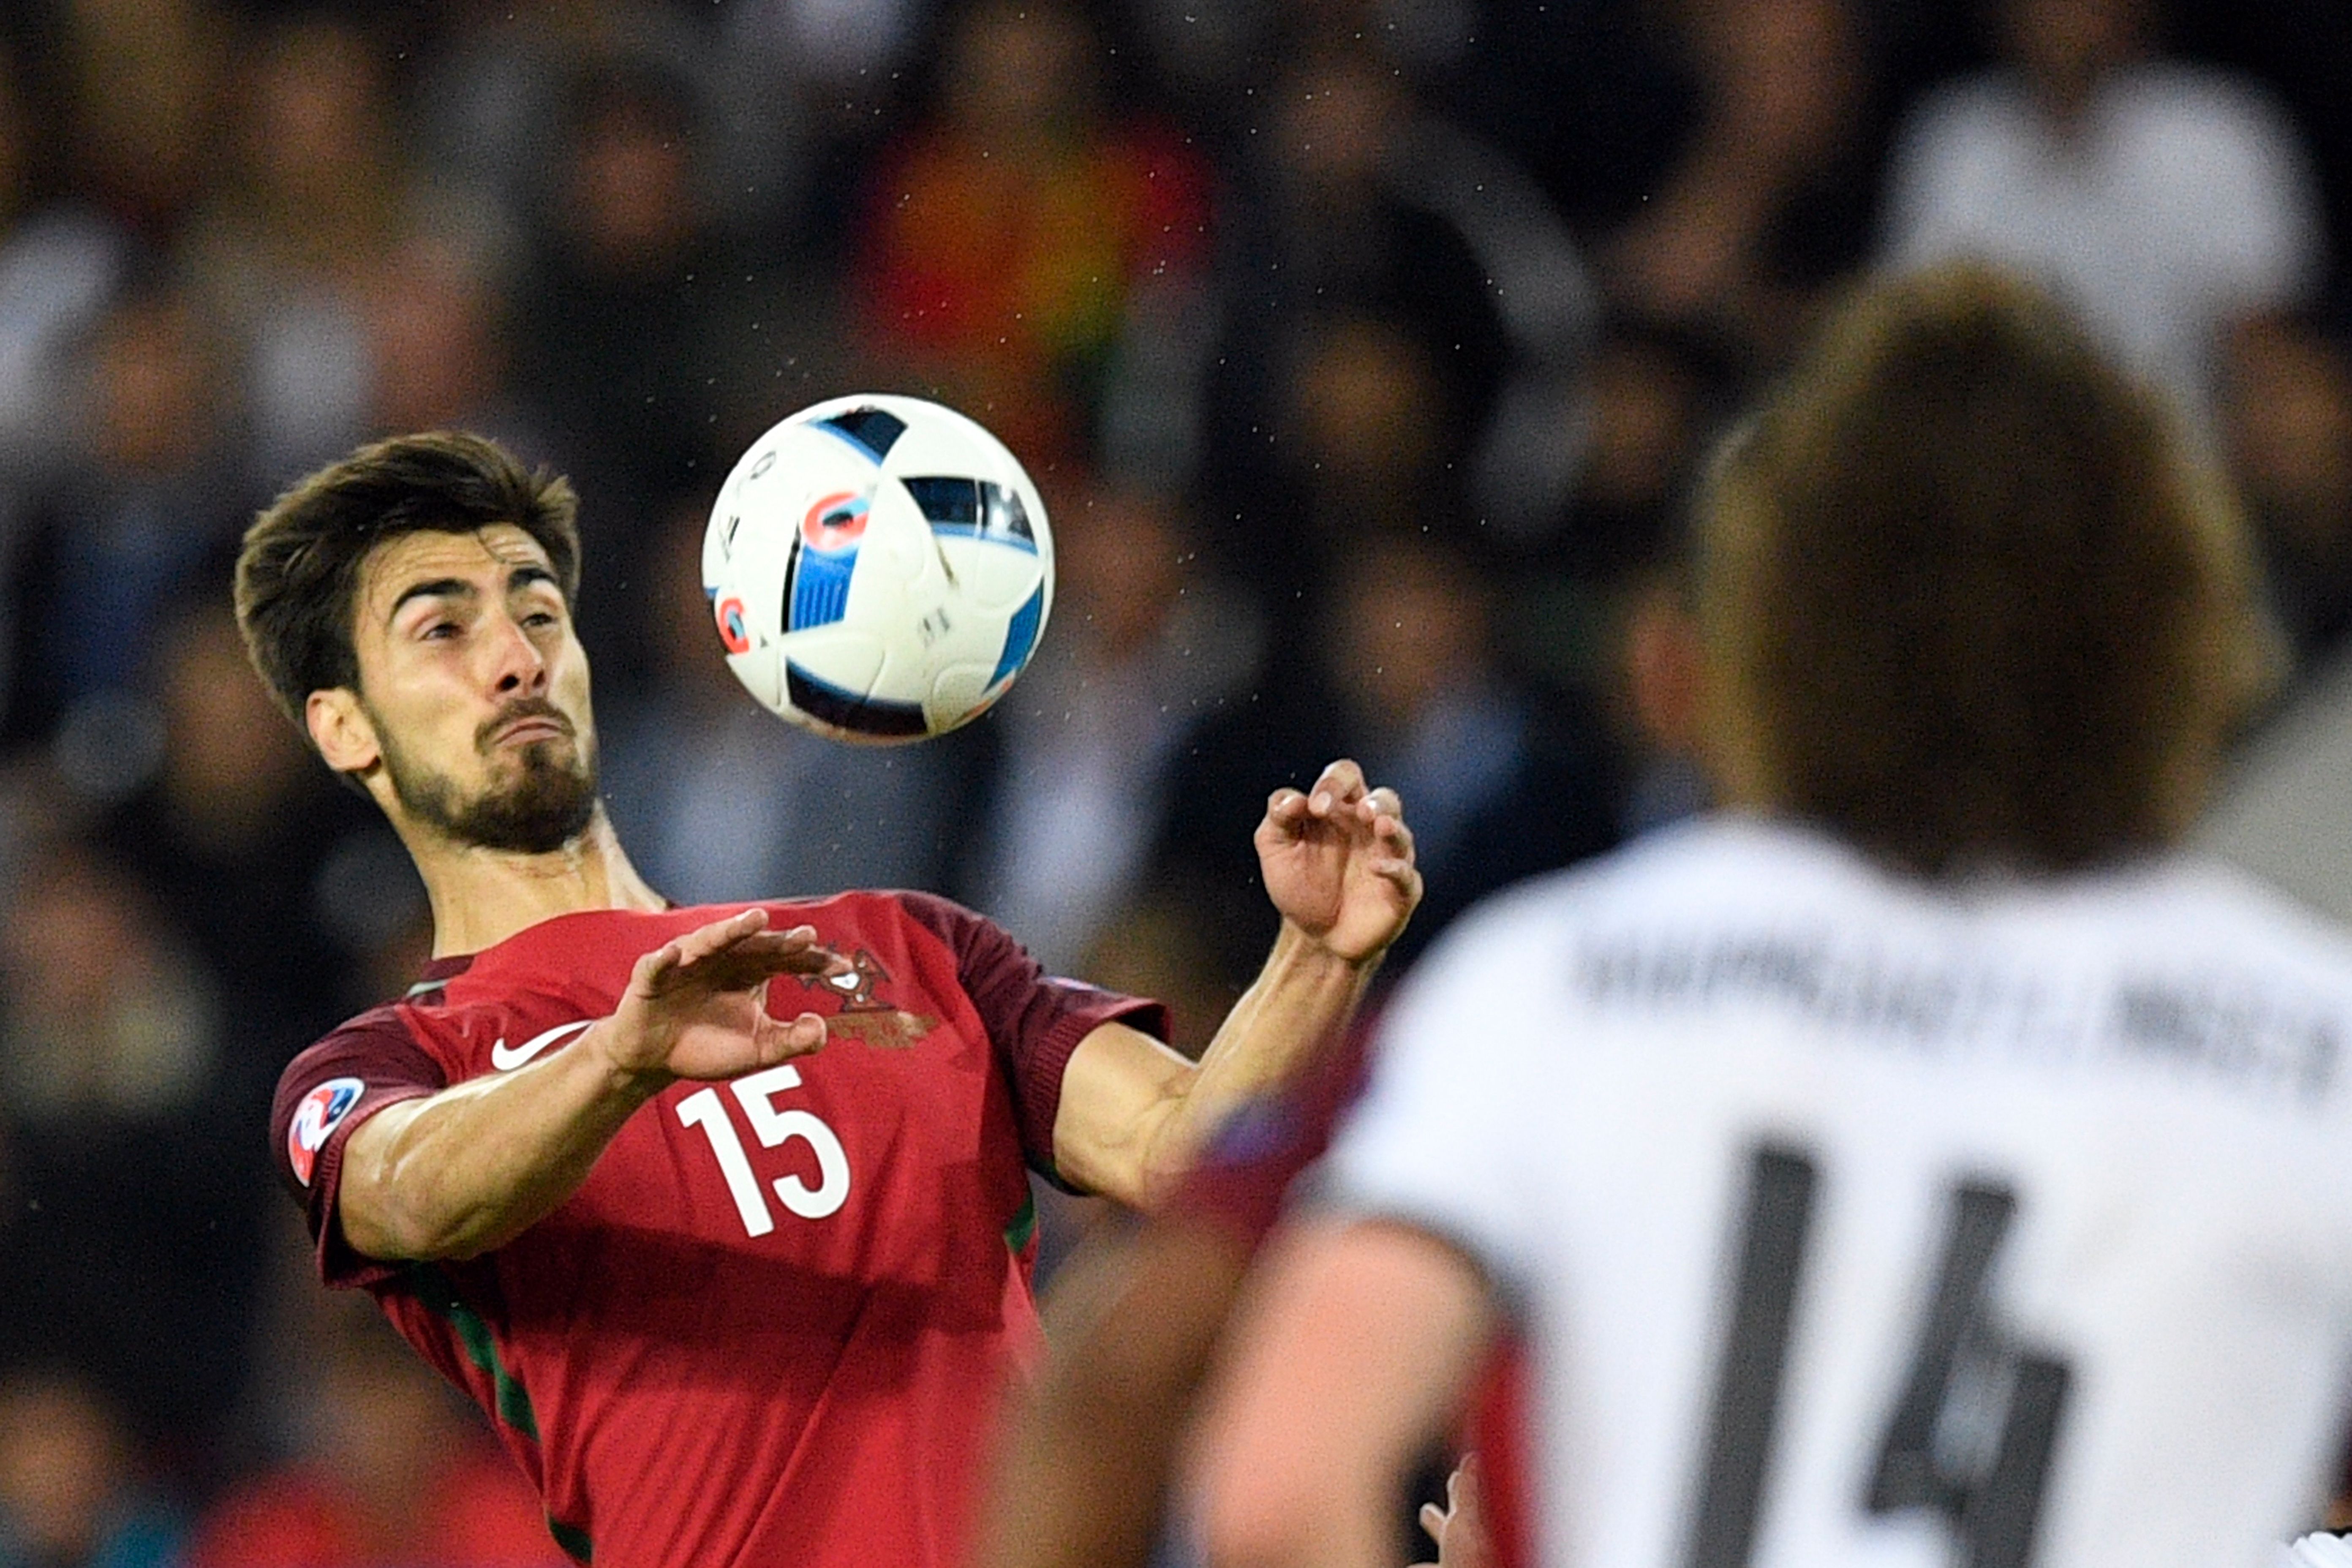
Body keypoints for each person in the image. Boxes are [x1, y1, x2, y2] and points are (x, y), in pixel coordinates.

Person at [1193, 264, 2352, 1568]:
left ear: (1765, 626)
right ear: (2177, 623)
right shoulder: (2309, 1037)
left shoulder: (1567, 981)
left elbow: (1271, 1481)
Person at [231, 429, 1421, 1568]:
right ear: (346, 728)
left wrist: (1317, 958)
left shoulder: (904, 948)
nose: (518, 655)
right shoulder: (402, 1060)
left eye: (540, 612)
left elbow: (1188, 1155)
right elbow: (405, 1190)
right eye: (444, 627)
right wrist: (617, 1063)